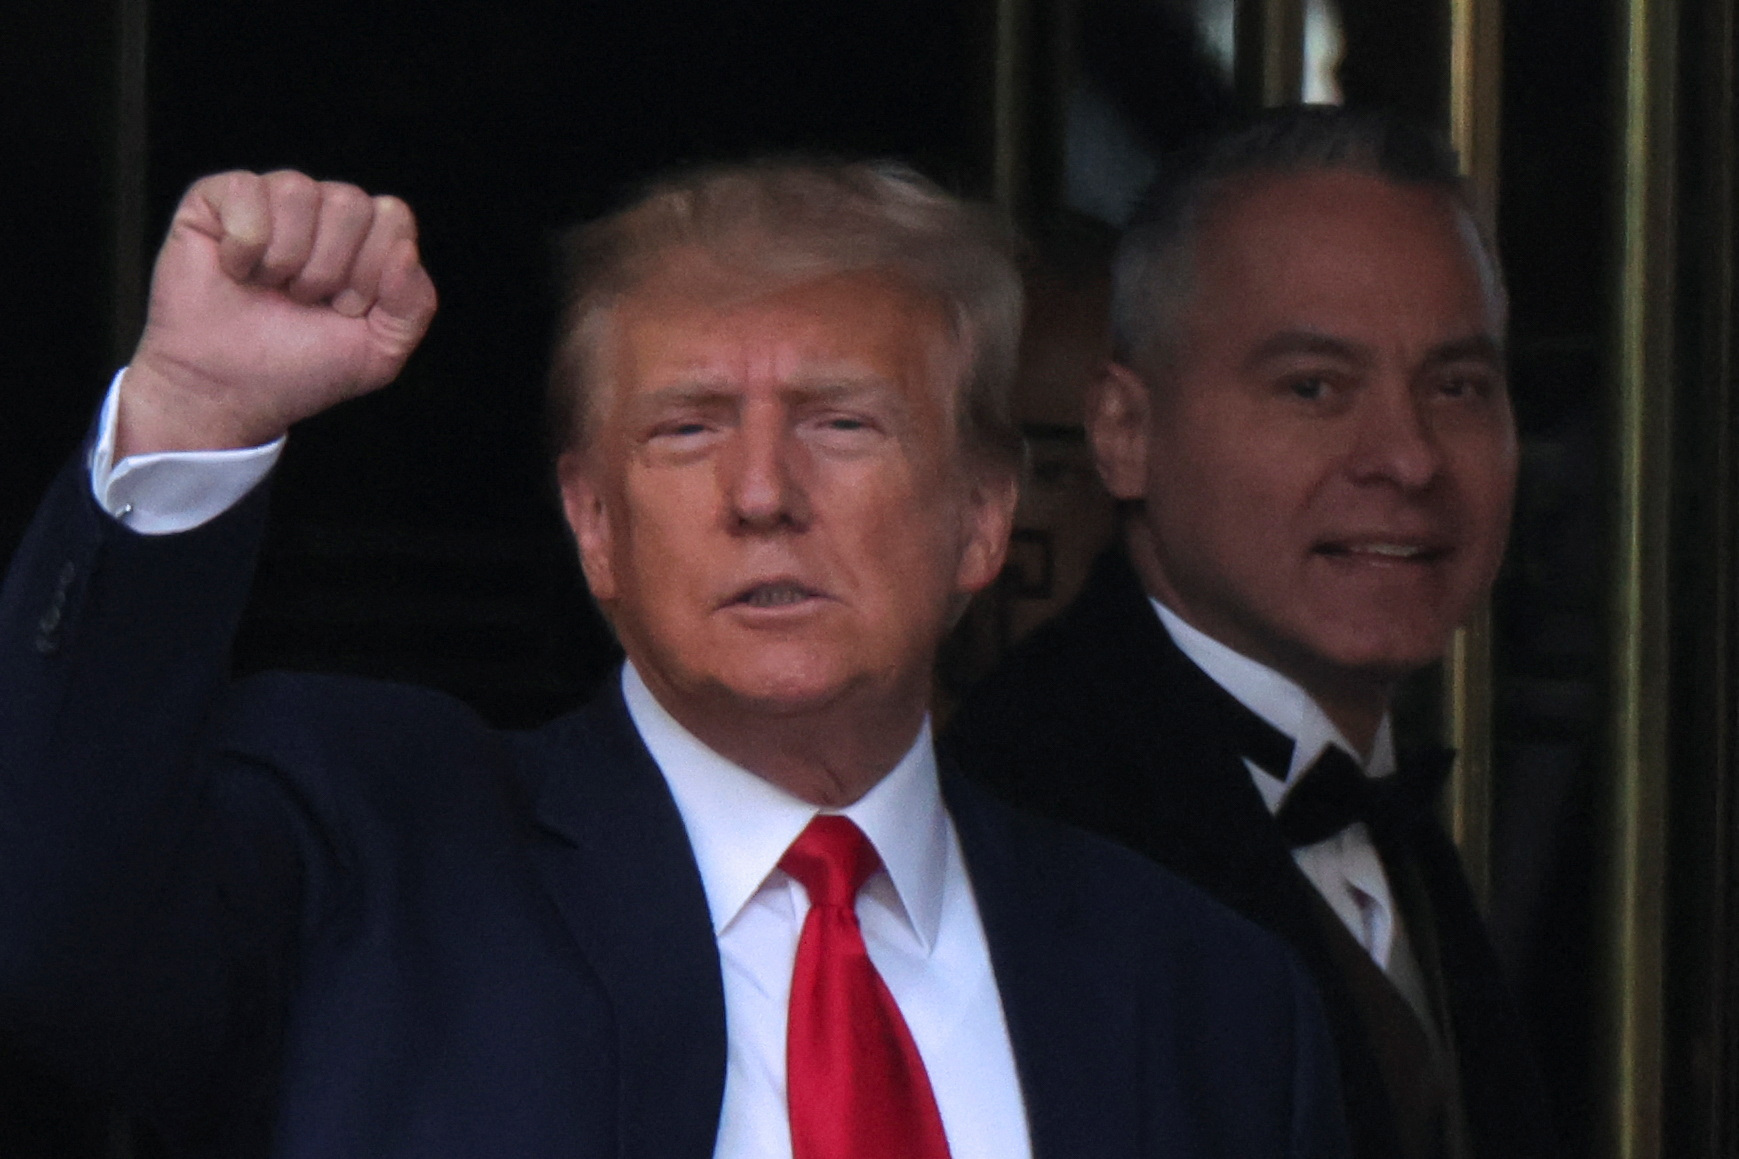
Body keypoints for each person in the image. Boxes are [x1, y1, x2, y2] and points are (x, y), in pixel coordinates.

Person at [0, 160, 1347, 1158]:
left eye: (839, 421)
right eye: (688, 429)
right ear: (593, 523)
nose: (760, 491)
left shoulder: (1208, 1002)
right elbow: (51, 922)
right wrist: (195, 412)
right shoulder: (375, 855)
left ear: (980, 516)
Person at [946, 107, 1557, 1159]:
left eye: (1455, 387)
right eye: (1313, 388)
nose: (1406, 459)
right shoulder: (1013, 824)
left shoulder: (1380, 807)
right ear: (1123, 433)